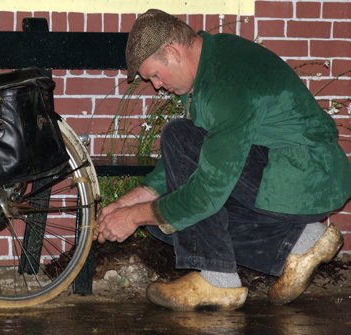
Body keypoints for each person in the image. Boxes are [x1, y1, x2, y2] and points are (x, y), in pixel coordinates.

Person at [94, 9, 350, 311]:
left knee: (177, 168)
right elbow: (192, 156)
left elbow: (207, 193)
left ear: (173, 52)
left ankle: (218, 281)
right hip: (283, 172)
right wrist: (131, 201)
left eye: (154, 75)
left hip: (306, 178)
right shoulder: (214, 63)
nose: (157, 86)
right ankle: (302, 241)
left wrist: (134, 216)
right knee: (162, 219)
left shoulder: (225, 84)